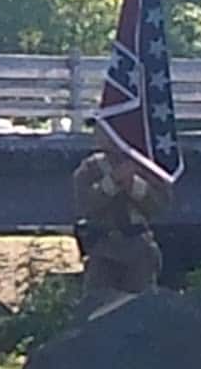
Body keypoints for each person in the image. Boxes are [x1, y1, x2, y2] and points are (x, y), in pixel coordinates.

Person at [73, 127, 174, 305]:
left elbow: (160, 204)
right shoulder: (90, 168)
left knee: (141, 305)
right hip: (104, 248)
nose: (100, 136)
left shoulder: (146, 166)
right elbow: (85, 204)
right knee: (96, 305)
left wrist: (134, 184)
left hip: (137, 247)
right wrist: (112, 182)